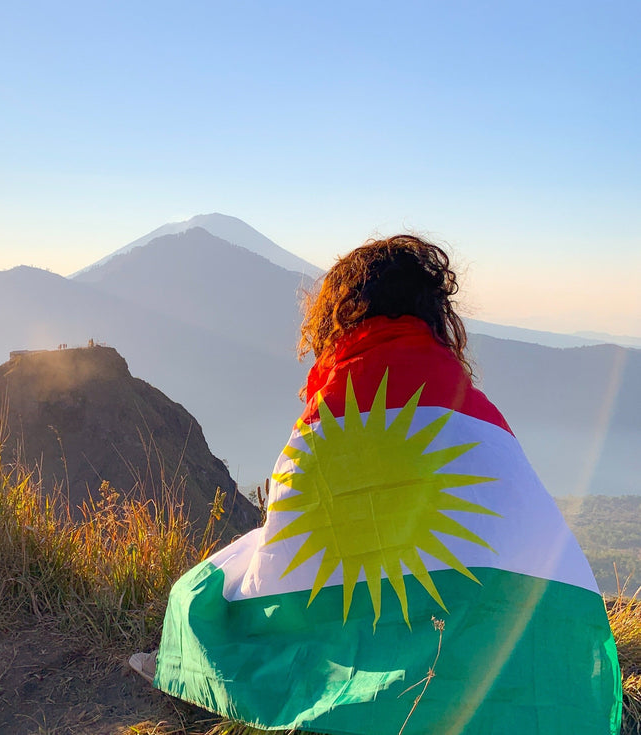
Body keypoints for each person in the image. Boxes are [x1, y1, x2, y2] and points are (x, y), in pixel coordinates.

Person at [140, 235, 622, 734]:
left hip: (367, 641)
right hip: (524, 675)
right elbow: (523, 526)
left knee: (197, 594)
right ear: (435, 316)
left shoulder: (327, 412)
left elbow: (287, 548)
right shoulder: (477, 416)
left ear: (338, 317)